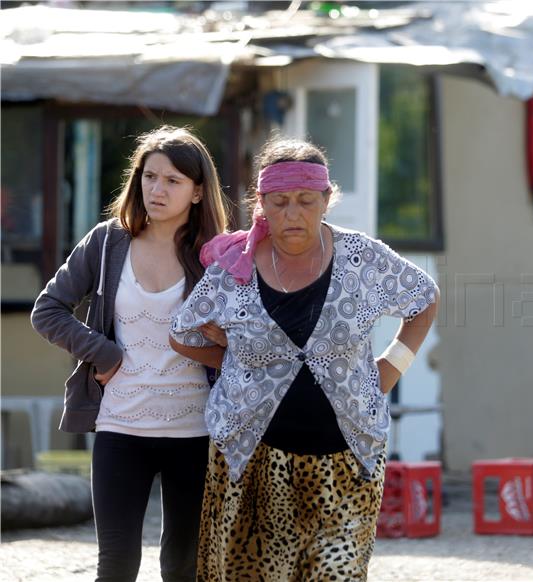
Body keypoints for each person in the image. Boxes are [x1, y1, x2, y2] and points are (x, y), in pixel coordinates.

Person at [169, 136, 440, 581]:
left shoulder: (362, 258)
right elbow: (181, 332)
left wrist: (389, 371)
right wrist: (233, 354)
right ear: (261, 203)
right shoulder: (235, 267)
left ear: (327, 199)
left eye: (305, 201)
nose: (292, 214)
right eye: (278, 202)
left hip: (346, 463)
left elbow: (424, 298)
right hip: (251, 464)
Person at [30, 126, 229, 582]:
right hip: (121, 425)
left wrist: (223, 338)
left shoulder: (218, 255)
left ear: (198, 193)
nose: (157, 189)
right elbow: (48, 310)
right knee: (116, 567)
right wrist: (104, 353)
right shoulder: (106, 243)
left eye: (173, 181)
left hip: (196, 433)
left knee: (183, 568)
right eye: (149, 176)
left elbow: (251, 339)